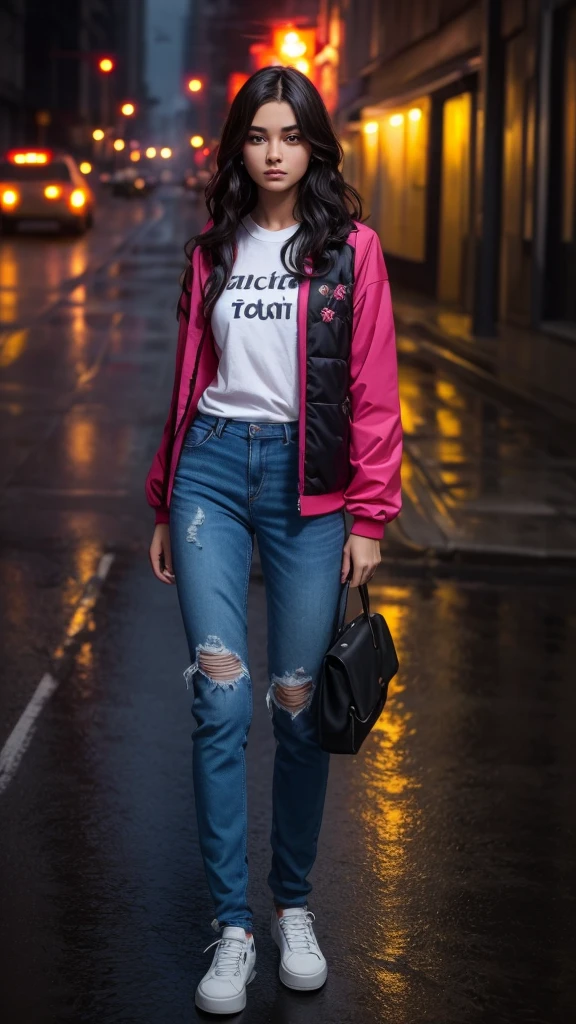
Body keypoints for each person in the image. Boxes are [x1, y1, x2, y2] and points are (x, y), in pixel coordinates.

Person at [145, 65, 402, 1014]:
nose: (274, 152)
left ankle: (292, 905)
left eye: (291, 135)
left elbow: (373, 388)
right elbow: (184, 385)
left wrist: (370, 513)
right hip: (213, 467)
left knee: (296, 709)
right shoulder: (212, 250)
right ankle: (232, 928)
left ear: (314, 146)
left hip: (312, 484)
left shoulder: (352, 252)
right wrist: (167, 498)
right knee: (220, 702)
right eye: (258, 135)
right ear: (238, 148)